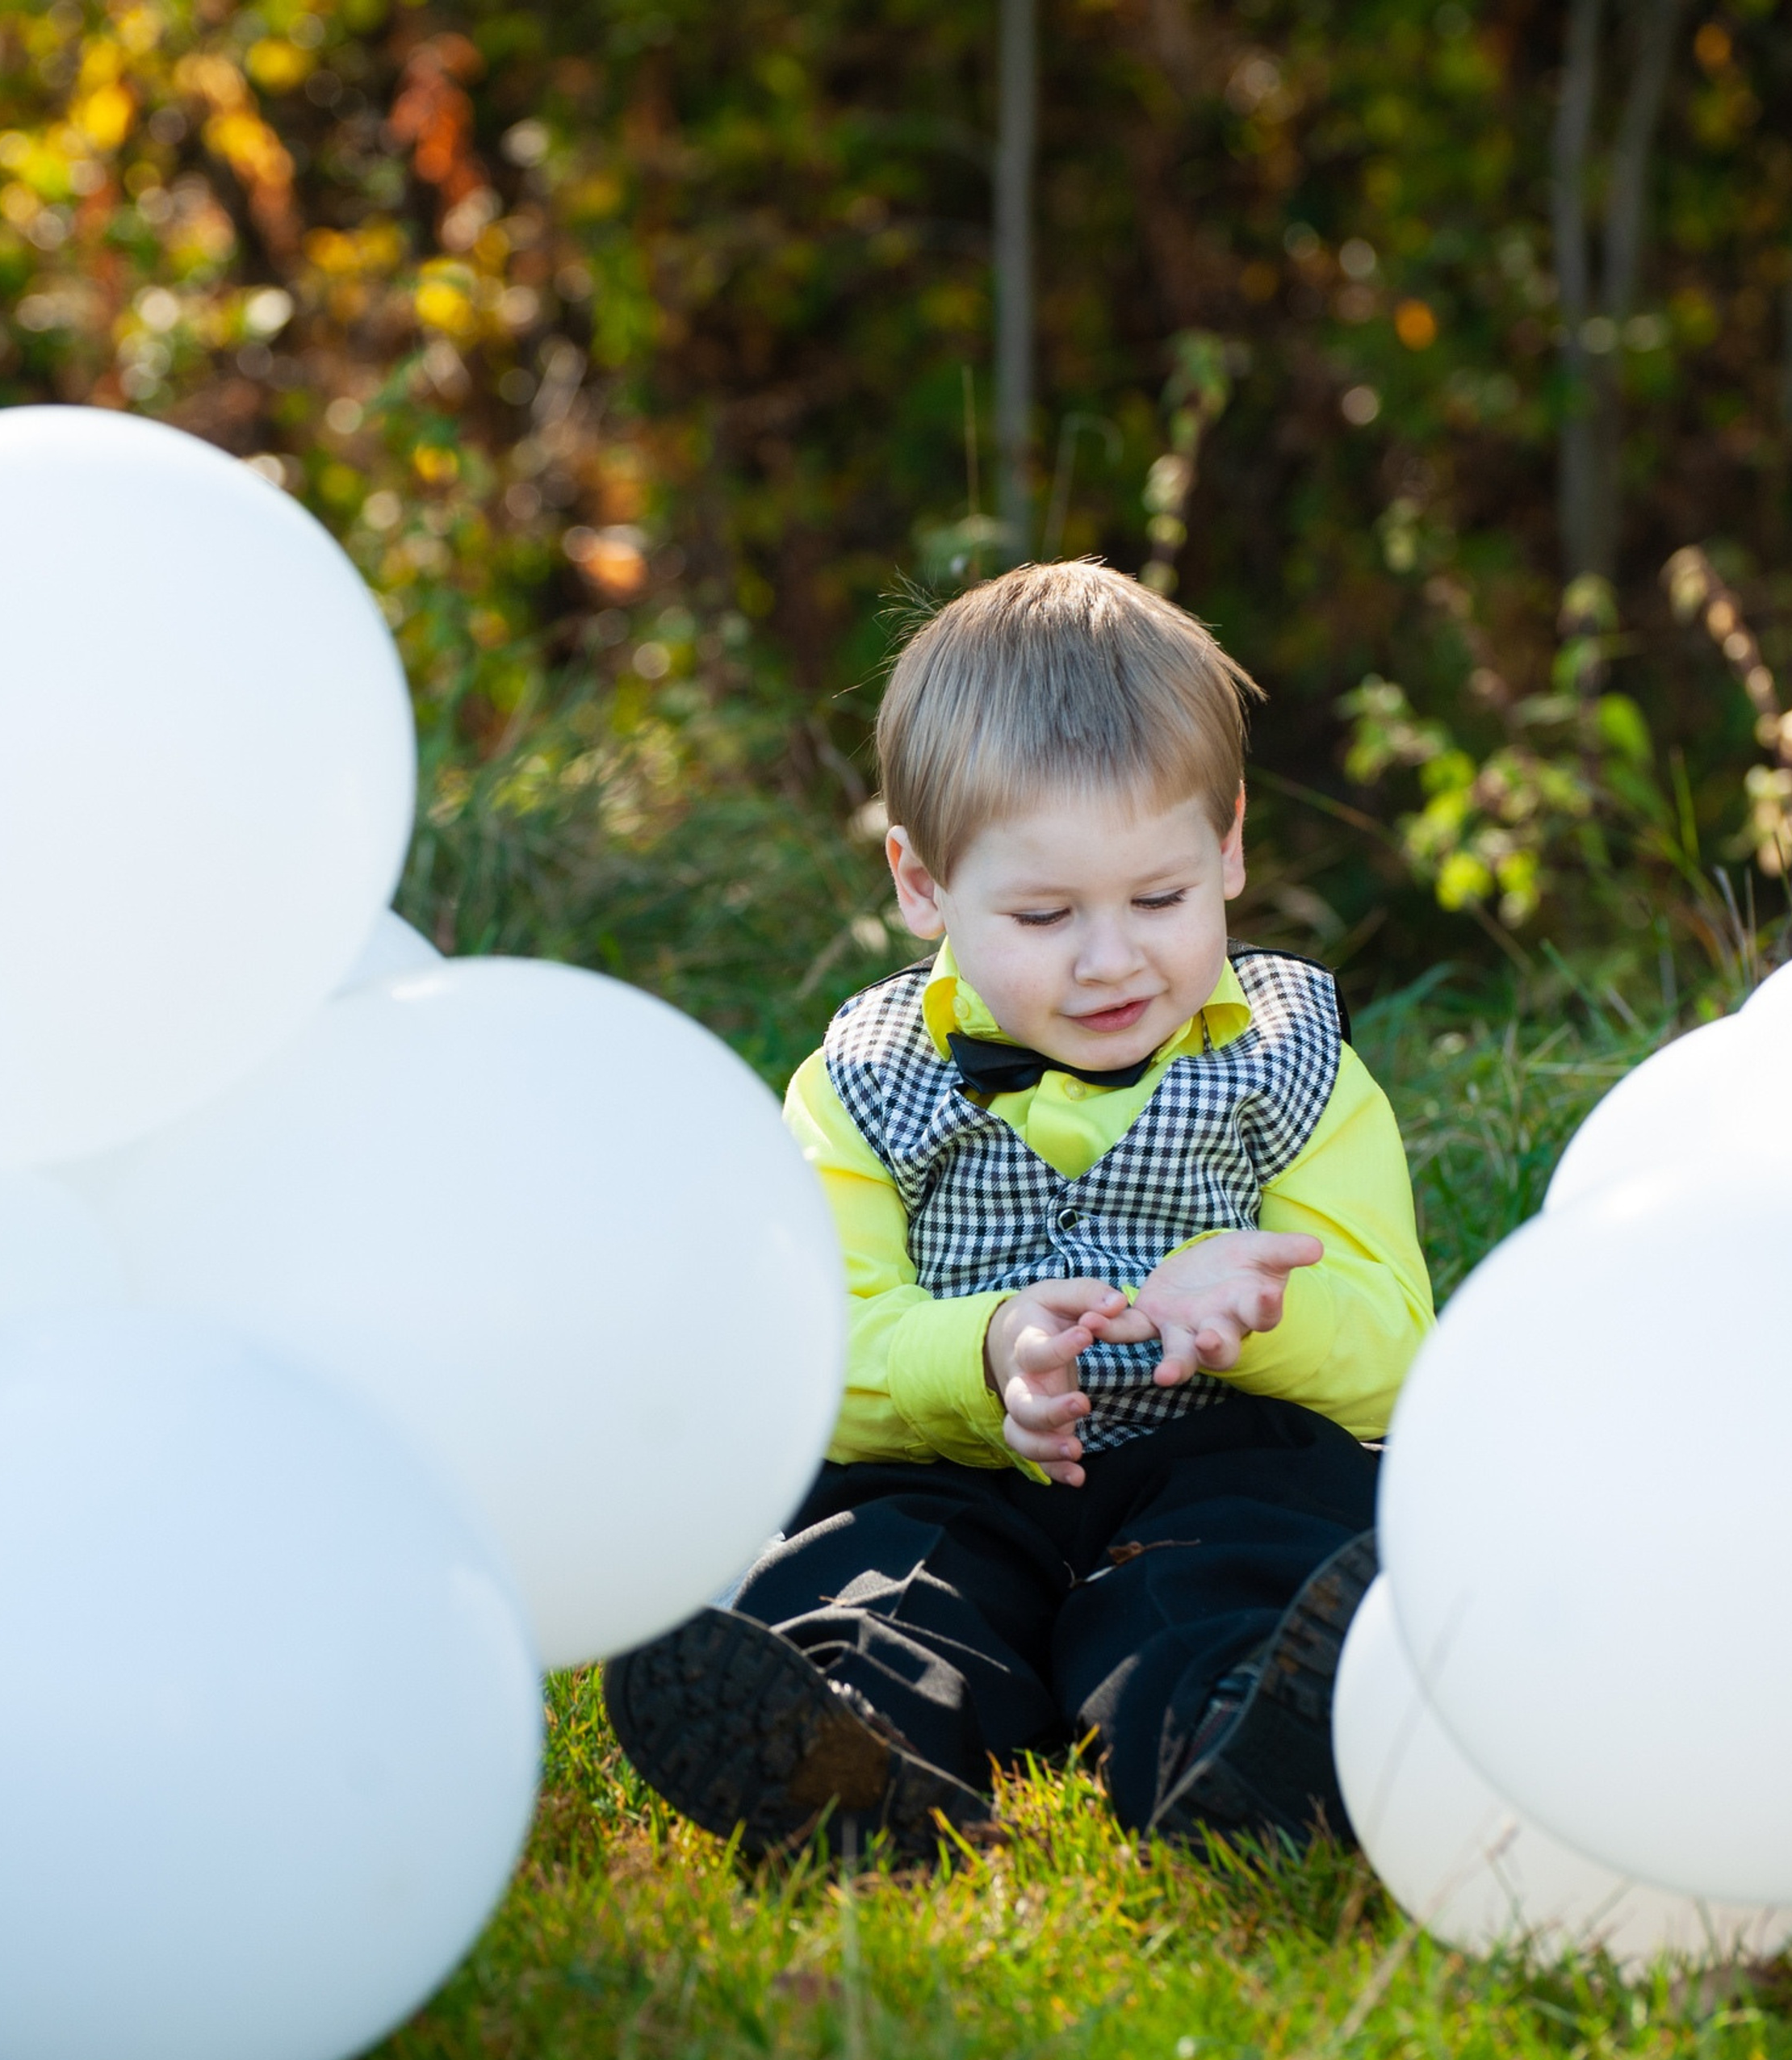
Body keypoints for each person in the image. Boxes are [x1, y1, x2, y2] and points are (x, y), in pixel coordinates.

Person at [605, 561, 1434, 1861]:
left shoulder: (1297, 1063)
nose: (1113, 959)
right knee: (881, 1576)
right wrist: (981, 1354)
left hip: (1213, 1463)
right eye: (1045, 916)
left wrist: (1258, 1313)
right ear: (923, 884)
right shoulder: (863, 1082)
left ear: (1228, 843)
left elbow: (1397, 1359)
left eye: (1160, 900)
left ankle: (1247, 1748)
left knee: (1228, 1578)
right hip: (953, 1473)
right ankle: (850, 1750)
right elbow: (811, 1356)